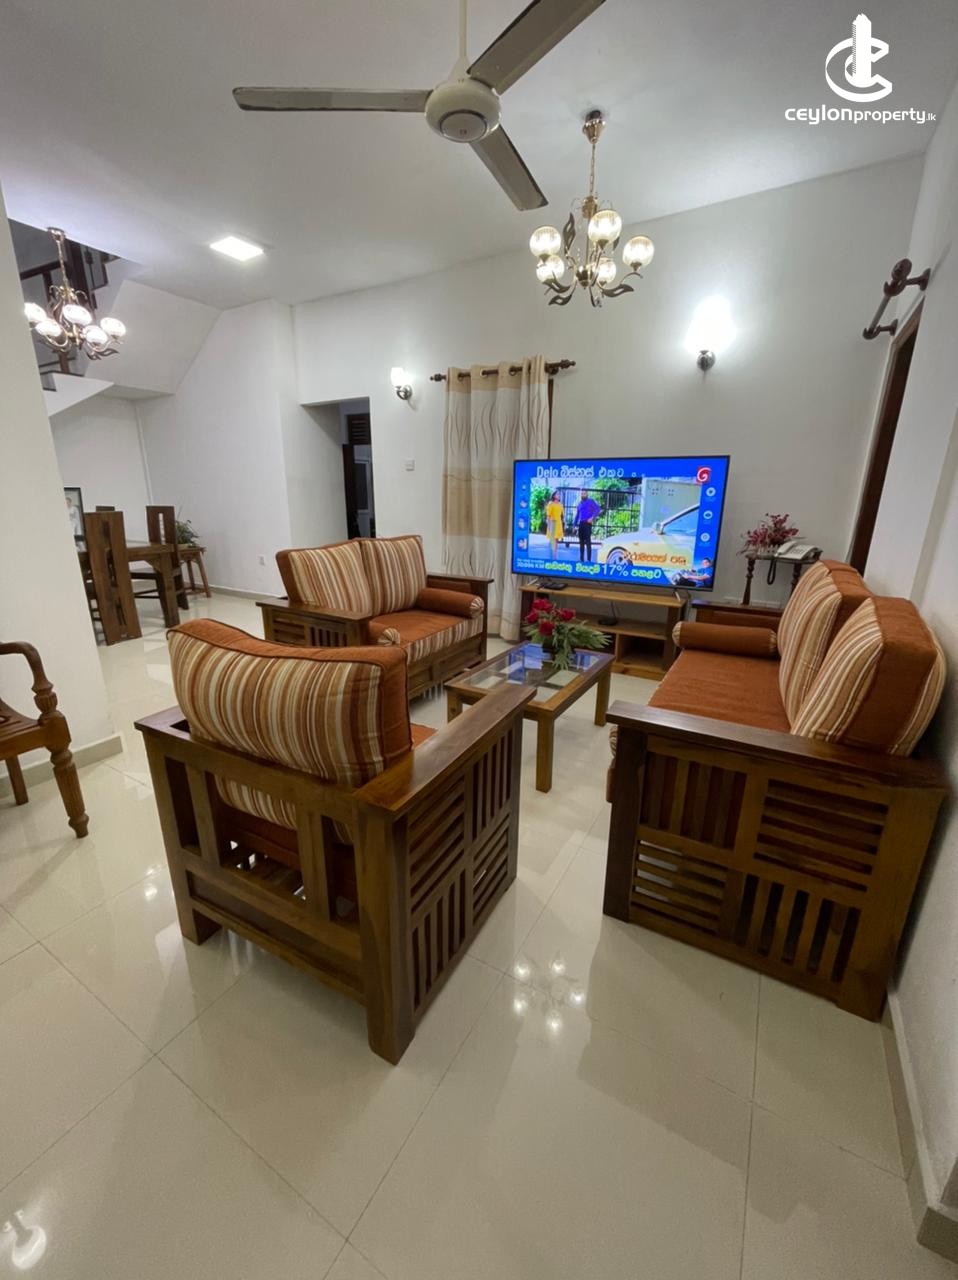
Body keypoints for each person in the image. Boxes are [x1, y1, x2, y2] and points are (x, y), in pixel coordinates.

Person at [573, 489, 602, 562]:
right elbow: (577, 516)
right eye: (582, 494)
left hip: (587, 524)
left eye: (584, 493)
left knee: (588, 542)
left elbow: (598, 509)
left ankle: (588, 560)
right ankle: (581, 559)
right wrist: (574, 525)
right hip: (581, 524)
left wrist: (592, 518)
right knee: (581, 542)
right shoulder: (579, 504)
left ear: (587, 494)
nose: (583, 495)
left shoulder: (590, 501)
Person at [545, 491, 564, 558]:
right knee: (552, 541)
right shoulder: (551, 504)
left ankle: (555, 557)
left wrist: (563, 521)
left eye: (559, 494)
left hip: (558, 524)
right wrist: (548, 524)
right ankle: (551, 557)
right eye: (557, 494)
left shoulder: (561, 504)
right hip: (552, 523)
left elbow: (562, 515)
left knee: (556, 541)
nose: (559, 495)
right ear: (554, 496)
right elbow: (548, 515)